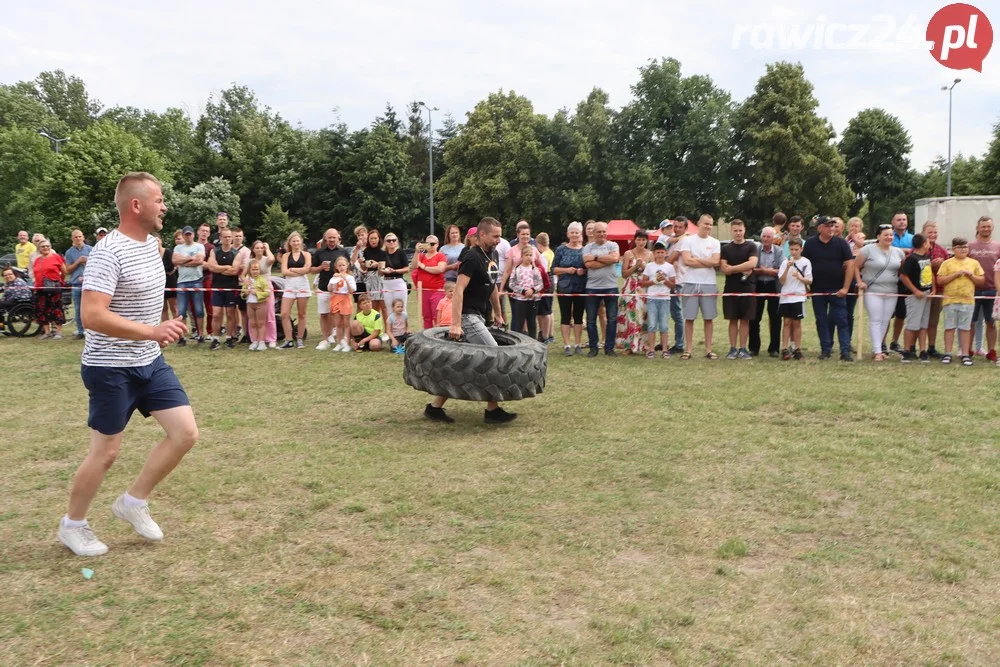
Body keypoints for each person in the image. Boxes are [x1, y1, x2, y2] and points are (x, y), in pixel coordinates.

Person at [58, 172, 197, 557]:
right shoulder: (107, 251)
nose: (165, 205)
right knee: (105, 453)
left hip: (149, 361)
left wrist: (157, 333)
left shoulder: (153, 245)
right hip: (109, 367)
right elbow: (92, 314)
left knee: (185, 433)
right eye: (159, 199)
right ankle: (73, 525)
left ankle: (133, 501)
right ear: (136, 205)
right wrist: (152, 330)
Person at [423, 217, 515, 425]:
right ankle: (492, 410)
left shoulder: (491, 255)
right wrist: (456, 323)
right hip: (468, 317)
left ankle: (434, 408)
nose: (499, 240)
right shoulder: (472, 257)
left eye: (500, 236)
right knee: (494, 356)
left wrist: (499, 314)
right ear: (482, 235)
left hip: (481, 316)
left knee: (461, 364)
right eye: (495, 236)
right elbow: (459, 290)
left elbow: (491, 286)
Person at [802, 216, 855, 361]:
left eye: (833, 225)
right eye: (828, 226)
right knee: (821, 320)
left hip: (837, 289)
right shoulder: (810, 244)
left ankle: (845, 351)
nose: (831, 228)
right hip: (817, 289)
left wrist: (845, 287)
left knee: (842, 320)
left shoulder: (841, 243)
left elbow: (850, 265)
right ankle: (825, 349)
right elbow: (803, 264)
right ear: (819, 228)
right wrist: (806, 286)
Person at [856, 224, 905, 361]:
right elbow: (856, 266)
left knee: (885, 320)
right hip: (873, 290)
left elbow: (901, 270)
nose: (889, 237)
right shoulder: (867, 250)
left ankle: (878, 348)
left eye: (891, 235)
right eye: (886, 235)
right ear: (878, 236)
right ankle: (877, 351)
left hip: (891, 290)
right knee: (875, 319)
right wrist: (859, 281)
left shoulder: (898, 252)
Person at [676, 214, 721, 360]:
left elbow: (715, 261)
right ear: (699, 223)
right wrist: (705, 261)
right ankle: (688, 350)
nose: (708, 226)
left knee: (708, 318)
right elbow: (687, 261)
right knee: (689, 317)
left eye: (710, 224)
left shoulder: (715, 242)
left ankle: (708, 350)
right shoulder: (687, 240)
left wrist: (698, 260)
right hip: (690, 282)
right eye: (705, 223)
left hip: (709, 283)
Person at [937, 237, 984, 366]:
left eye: (965, 247)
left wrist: (971, 275)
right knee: (949, 327)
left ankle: (965, 354)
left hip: (967, 301)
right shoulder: (947, 263)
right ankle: (947, 353)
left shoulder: (974, 263)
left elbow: (981, 281)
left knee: (965, 328)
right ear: (953, 249)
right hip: (950, 301)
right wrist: (955, 274)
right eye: (960, 247)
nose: (963, 250)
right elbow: (940, 280)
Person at [500, 223, 551, 337]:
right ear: (518, 235)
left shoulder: (534, 250)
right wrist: (502, 287)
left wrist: (539, 286)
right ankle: (515, 338)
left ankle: (531, 339)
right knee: (517, 317)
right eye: (523, 234)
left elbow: (540, 267)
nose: (525, 236)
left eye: (527, 234)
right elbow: (507, 270)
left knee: (531, 318)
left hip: (532, 289)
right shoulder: (512, 251)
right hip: (516, 288)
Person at [720, 219, 759, 359]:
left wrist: (733, 268)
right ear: (731, 231)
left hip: (748, 288)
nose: (738, 233)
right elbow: (724, 268)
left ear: (744, 230)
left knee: (745, 320)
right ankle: (732, 348)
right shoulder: (726, 249)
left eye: (740, 230)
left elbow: (753, 263)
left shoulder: (751, 246)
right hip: (731, 288)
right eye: (735, 230)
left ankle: (743, 348)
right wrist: (742, 268)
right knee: (732, 320)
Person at [583, 221, 621, 357]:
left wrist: (597, 257)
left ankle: (609, 348)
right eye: (599, 231)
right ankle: (593, 348)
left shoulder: (613, 245)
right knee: (591, 320)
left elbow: (615, 258)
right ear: (593, 233)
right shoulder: (587, 247)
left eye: (604, 231)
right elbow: (588, 264)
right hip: (592, 288)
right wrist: (606, 260)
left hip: (611, 286)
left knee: (612, 319)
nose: (602, 234)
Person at [310, 228, 351, 350]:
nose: (332, 240)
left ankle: (342, 339)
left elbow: (349, 269)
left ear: (338, 238)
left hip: (340, 292)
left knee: (340, 315)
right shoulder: (319, 252)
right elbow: (311, 270)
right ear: (325, 238)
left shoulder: (343, 252)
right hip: (324, 288)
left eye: (334, 237)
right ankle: (325, 339)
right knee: (324, 314)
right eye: (329, 237)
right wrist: (321, 267)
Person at [898, 234, 935, 363]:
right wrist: (915, 290)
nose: (929, 244)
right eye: (928, 242)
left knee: (923, 324)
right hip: (914, 295)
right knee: (913, 324)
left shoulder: (926, 257)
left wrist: (933, 290)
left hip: (926, 293)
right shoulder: (911, 259)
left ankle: (923, 350)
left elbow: (930, 274)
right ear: (924, 243)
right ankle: (907, 350)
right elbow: (903, 276)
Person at [967, 216, 999, 362]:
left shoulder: (997, 246)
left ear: (992, 228)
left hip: (992, 290)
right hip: (972, 290)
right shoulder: (970, 246)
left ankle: (991, 351)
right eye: (983, 226)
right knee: (970, 322)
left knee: (991, 322)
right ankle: (968, 349)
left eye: (988, 226)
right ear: (977, 228)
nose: (986, 229)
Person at [552, 221, 586, 355]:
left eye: (577, 232)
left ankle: (577, 344)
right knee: (565, 316)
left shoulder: (585, 250)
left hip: (581, 287)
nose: (574, 235)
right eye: (572, 232)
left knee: (578, 316)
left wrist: (583, 271)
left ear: (580, 234)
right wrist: (567, 270)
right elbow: (553, 269)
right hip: (565, 287)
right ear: (568, 234)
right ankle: (567, 345)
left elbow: (588, 267)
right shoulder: (561, 249)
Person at [615, 230, 651, 354]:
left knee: (643, 316)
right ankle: (629, 346)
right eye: (639, 239)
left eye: (644, 240)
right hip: (630, 287)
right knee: (630, 316)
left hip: (644, 288)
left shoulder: (650, 254)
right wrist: (635, 267)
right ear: (634, 240)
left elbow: (652, 273)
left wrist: (644, 268)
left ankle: (644, 344)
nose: (641, 242)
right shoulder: (628, 254)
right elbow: (624, 274)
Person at [750, 225, 783, 357]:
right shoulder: (755, 249)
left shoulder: (779, 251)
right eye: (764, 236)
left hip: (773, 286)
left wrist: (765, 271)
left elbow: (781, 270)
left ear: (774, 238)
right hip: (758, 285)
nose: (766, 239)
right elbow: (752, 268)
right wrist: (768, 271)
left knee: (775, 318)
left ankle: (774, 349)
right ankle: (753, 348)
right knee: (754, 318)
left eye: (769, 236)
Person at [640, 240, 677, 359]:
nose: (660, 254)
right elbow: (643, 283)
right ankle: (651, 349)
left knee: (664, 325)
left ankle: (665, 349)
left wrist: (664, 280)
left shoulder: (669, 267)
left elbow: (673, 285)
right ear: (654, 254)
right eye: (658, 252)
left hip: (665, 299)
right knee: (651, 325)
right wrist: (654, 281)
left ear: (665, 253)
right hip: (652, 299)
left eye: (662, 252)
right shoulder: (649, 266)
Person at [206, 228, 241, 350]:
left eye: (229, 237)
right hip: (217, 287)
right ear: (220, 238)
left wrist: (219, 268)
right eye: (225, 237)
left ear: (232, 238)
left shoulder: (236, 253)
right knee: (216, 314)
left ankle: (229, 338)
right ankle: (215, 339)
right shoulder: (214, 251)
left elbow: (235, 270)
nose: (227, 239)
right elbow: (211, 267)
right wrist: (226, 267)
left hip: (231, 287)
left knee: (230, 314)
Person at [778, 238, 812, 360]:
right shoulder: (784, 262)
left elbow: (809, 280)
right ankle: (784, 348)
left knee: (796, 322)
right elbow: (781, 281)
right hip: (786, 296)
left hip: (799, 295)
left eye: (796, 249)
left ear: (801, 249)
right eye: (791, 249)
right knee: (786, 322)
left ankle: (797, 348)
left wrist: (799, 277)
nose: (794, 252)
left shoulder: (806, 262)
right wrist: (787, 268)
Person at [172, 226, 206, 346]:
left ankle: (201, 335)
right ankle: (182, 337)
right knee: (181, 311)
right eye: (186, 234)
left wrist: (184, 262)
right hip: (182, 281)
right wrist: (191, 258)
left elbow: (199, 261)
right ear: (184, 235)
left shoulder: (199, 246)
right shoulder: (178, 247)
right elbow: (175, 261)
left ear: (193, 234)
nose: (188, 236)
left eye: (190, 234)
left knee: (199, 310)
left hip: (196, 280)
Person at [279, 231, 312, 349]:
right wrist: (299, 270)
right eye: (294, 241)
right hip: (289, 286)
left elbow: (307, 269)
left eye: (298, 241)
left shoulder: (306, 254)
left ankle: (300, 338)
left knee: (301, 313)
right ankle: (288, 339)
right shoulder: (285, 256)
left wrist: (292, 269)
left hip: (303, 285)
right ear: (290, 243)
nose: (296, 243)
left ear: (301, 242)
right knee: (284, 313)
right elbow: (284, 271)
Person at [922, 221, 950, 358]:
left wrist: (942, 265)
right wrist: (930, 265)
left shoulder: (942, 250)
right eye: (930, 232)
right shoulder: (918, 248)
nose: (933, 235)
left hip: (938, 290)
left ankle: (931, 347)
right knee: (919, 321)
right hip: (921, 290)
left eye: (935, 232)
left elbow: (949, 268)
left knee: (933, 320)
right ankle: (916, 348)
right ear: (923, 233)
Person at [33, 238, 67, 339]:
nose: (45, 248)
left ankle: (58, 332)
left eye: (47, 246)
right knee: (42, 309)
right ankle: (47, 332)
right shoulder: (37, 260)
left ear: (50, 247)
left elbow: (64, 271)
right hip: (40, 288)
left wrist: (60, 281)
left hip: (54, 287)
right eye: (43, 246)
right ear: (39, 249)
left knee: (56, 308)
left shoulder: (56, 257)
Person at [245, 239, 277, 349]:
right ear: (253, 249)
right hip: (253, 289)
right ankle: (255, 339)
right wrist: (245, 281)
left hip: (265, 286)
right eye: (257, 248)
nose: (259, 250)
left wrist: (267, 248)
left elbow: (272, 259)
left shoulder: (266, 259)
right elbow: (243, 274)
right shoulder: (250, 261)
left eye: (261, 248)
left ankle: (271, 338)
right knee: (253, 317)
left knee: (269, 313)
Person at [411, 235, 447, 330]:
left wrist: (424, 267)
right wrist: (416, 252)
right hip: (423, 291)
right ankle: (427, 336)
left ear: (437, 245)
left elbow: (440, 269)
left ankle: (437, 336)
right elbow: (414, 266)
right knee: (426, 317)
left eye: (432, 243)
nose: (430, 245)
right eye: (428, 243)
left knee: (437, 316)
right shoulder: (421, 256)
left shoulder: (440, 256)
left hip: (437, 290)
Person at [664, 217, 688, 353]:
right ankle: (664, 342)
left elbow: (669, 258)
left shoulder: (683, 241)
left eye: (680, 227)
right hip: (665, 280)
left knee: (676, 313)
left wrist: (659, 258)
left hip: (676, 281)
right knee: (664, 312)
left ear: (685, 228)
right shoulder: (672, 238)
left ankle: (679, 345)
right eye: (676, 226)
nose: (677, 229)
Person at [509, 246, 543, 339]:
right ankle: (518, 341)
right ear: (522, 256)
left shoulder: (535, 270)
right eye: (526, 255)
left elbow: (540, 284)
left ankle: (533, 341)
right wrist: (523, 291)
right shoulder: (516, 269)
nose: (528, 257)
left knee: (532, 322)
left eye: (530, 255)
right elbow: (511, 284)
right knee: (519, 322)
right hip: (520, 299)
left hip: (533, 299)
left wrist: (533, 290)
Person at [64, 229, 93, 340]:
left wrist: (87, 261)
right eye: (75, 237)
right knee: (78, 309)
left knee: (90, 309)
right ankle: (81, 331)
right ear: (72, 239)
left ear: (83, 237)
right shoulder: (69, 252)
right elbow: (68, 270)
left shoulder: (91, 249)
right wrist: (78, 261)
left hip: (90, 284)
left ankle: (91, 331)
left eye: (80, 236)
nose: (78, 239)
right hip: (76, 284)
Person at [359, 228, 388, 323]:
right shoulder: (366, 251)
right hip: (370, 278)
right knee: (374, 306)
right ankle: (376, 328)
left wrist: (377, 264)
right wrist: (361, 263)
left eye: (375, 238)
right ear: (368, 240)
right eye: (371, 238)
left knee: (384, 306)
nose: (373, 240)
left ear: (379, 239)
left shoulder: (383, 252)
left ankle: (387, 329)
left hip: (380, 278)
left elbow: (384, 267)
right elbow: (364, 268)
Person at [327, 256, 356, 352]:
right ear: (336, 267)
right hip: (335, 299)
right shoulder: (334, 277)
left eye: (343, 265)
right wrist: (332, 281)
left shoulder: (350, 277)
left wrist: (345, 279)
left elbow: (352, 290)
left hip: (345, 299)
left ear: (347, 266)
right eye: (339, 265)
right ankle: (339, 342)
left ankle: (346, 342)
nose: (342, 267)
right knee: (338, 323)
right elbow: (330, 289)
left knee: (346, 323)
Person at [241, 259, 271, 350]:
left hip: (260, 304)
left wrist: (257, 293)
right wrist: (245, 293)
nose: (255, 271)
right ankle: (254, 341)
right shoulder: (247, 281)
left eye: (257, 269)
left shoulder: (262, 280)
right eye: (253, 269)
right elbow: (242, 293)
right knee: (253, 323)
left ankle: (261, 342)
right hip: (250, 304)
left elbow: (267, 293)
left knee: (261, 323)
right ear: (249, 270)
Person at [380, 232, 410, 319]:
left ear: (397, 241)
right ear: (385, 243)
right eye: (389, 241)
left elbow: (407, 269)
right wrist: (380, 268)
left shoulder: (400, 252)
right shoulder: (383, 254)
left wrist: (395, 271)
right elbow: (381, 272)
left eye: (394, 240)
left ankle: (404, 329)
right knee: (389, 308)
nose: (391, 242)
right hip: (386, 282)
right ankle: (392, 330)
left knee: (401, 307)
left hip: (398, 281)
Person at [535, 232, 555, 344]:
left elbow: (542, 271)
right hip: (552, 281)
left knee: (544, 311)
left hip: (545, 282)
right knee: (549, 309)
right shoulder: (551, 253)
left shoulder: (543, 256)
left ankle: (545, 335)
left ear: (538, 243)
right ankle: (550, 333)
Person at [196, 223, 215, 335]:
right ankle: (199, 332)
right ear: (198, 232)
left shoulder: (211, 247)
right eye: (203, 230)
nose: (204, 233)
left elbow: (211, 265)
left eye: (207, 231)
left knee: (210, 308)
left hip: (208, 278)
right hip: (194, 279)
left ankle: (210, 331)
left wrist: (196, 262)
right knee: (196, 308)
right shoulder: (192, 246)